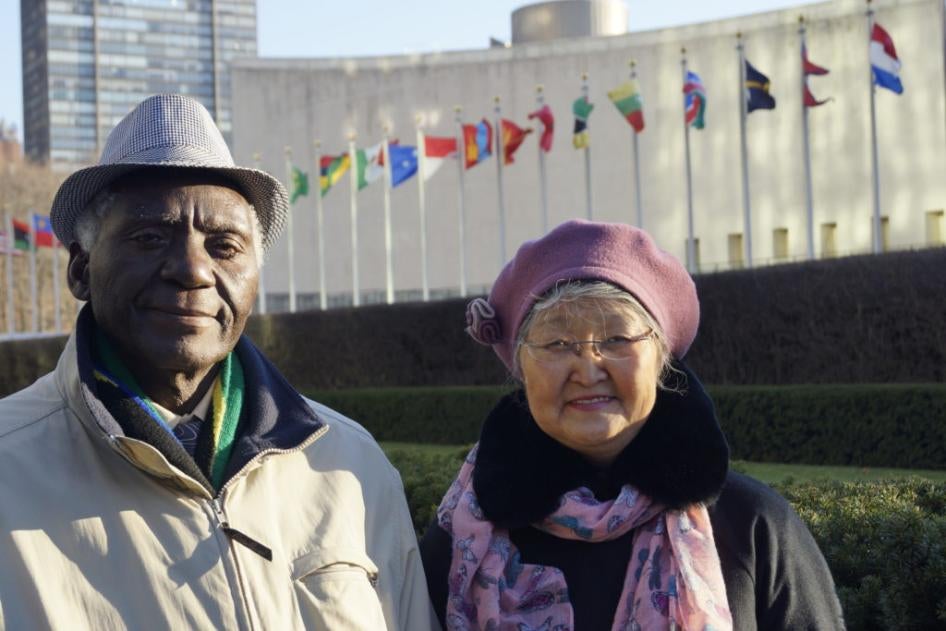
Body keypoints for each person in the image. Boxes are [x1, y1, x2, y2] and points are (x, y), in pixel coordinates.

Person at [0, 94, 433, 630]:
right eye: (149, 237)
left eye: (224, 246)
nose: (192, 270)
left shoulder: (352, 467)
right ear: (81, 269)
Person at [420, 220, 845, 630]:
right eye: (557, 343)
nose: (588, 369)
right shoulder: (464, 541)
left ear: (661, 362)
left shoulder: (752, 525)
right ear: (521, 368)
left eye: (616, 339)